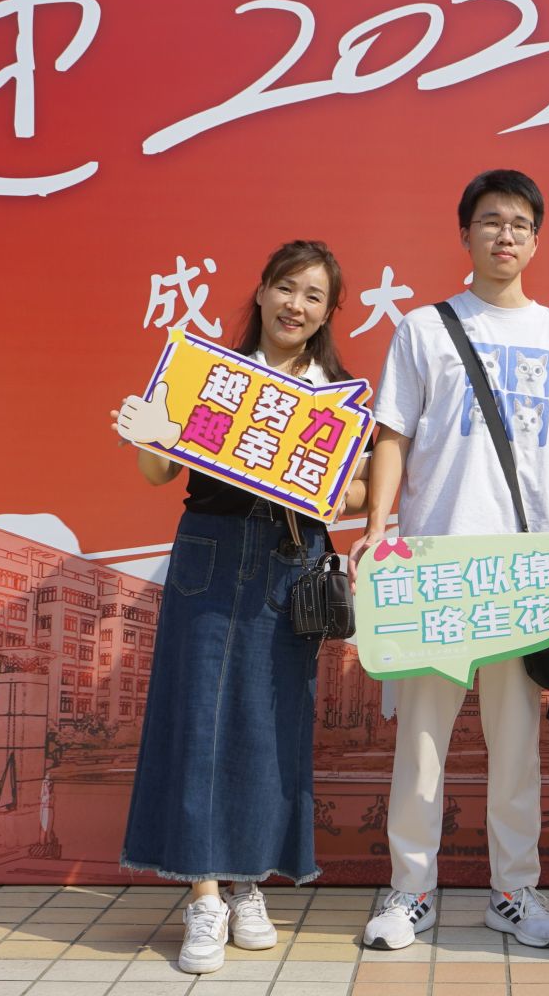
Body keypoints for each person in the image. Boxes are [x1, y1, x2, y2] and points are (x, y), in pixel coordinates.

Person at [355, 169, 549, 951]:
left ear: (536, 240)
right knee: (421, 746)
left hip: (523, 576)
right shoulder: (425, 329)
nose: (506, 235)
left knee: (517, 747)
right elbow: (392, 435)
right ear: (464, 233)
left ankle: (513, 892)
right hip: (435, 568)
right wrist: (378, 528)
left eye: (520, 224)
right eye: (491, 220)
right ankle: (410, 891)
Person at [111, 240, 367, 975]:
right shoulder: (211, 376)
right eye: (286, 288)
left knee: (269, 724)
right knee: (199, 719)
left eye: (314, 296)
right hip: (212, 549)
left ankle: (249, 881)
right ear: (260, 292)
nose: (296, 305)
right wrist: (150, 431)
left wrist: (325, 487)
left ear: (328, 312)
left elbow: (356, 492)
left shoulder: (337, 397)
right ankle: (203, 896)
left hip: (291, 559)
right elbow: (158, 471)